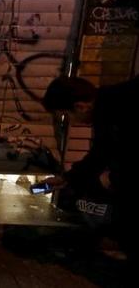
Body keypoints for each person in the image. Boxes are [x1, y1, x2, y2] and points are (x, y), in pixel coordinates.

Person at [41, 75, 138, 265]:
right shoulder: (107, 110)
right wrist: (68, 178)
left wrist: (114, 177)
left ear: (80, 106)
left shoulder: (123, 107)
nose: (71, 122)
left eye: (66, 115)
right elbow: (101, 153)